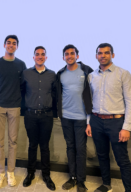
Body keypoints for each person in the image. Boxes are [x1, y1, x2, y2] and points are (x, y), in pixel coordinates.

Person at [86, 43, 131, 192]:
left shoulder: (123, 74)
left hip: (116, 122)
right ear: (96, 56)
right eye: (100, 53)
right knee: (101, 155)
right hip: (96, 120)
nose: (103, 56)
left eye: (106, 53)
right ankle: (106, 185)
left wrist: (126, 127)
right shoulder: (91, 76)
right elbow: (88, 102)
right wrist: (89, 123)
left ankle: (129, 189)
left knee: (122, 159)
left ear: (112, 55)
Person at [0, 35, 27, 188]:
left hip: (15, 107)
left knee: (13, 141)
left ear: (17, 46)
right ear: (4, 45)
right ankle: (0, 173)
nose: (11, 45)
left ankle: (10, 172)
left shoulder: (21, 64)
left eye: (14, 43)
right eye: (8, 43)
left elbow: (23, 87)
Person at [57, 44, 93, 192]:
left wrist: (89, 120)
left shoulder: (86, 71)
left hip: (81, 119)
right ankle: (72, 178)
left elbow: (92, 94)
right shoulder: (60, 74)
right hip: (66, 117)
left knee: (81, 149)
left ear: (77, 56)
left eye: (72, 53)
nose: (69, 56)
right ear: (63, 57)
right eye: (66, 54)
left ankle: (81, 181)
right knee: (70, 147)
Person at [22, 46, 57, 191]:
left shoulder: (52, 75)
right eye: (37, 54)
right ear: (33, 57)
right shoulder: (26, 73)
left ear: (46, 57)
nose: (40, 56)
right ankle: (30, 173)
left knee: (45, 147)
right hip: (30, 115)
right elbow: (21, 91)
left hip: (46, 116)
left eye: (43, 54)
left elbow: (55, 94)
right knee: (32, 145)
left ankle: (46, 175)